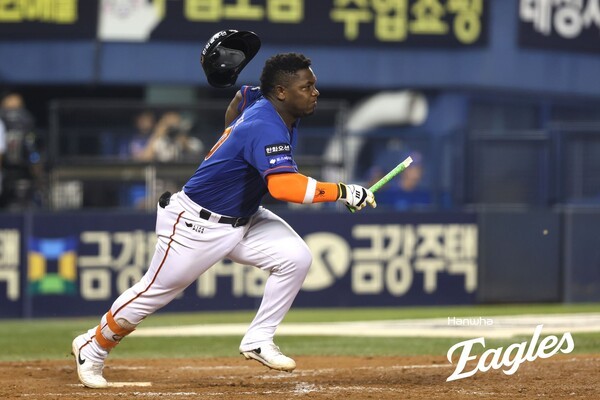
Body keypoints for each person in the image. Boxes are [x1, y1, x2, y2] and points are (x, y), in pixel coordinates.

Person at [71, 52, 376, 388]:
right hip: (196, 223)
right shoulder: (265, 125)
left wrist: (231, 133)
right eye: (306, 87)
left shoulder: (266, 101)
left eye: (313, 85)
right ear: (281, 92)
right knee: (153, 294)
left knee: (296, 258)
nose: (315, 92)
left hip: (244, 216)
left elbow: (240, 97)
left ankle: (259, 339)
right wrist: (343, 191)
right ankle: (92, 347)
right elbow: (284, 187)